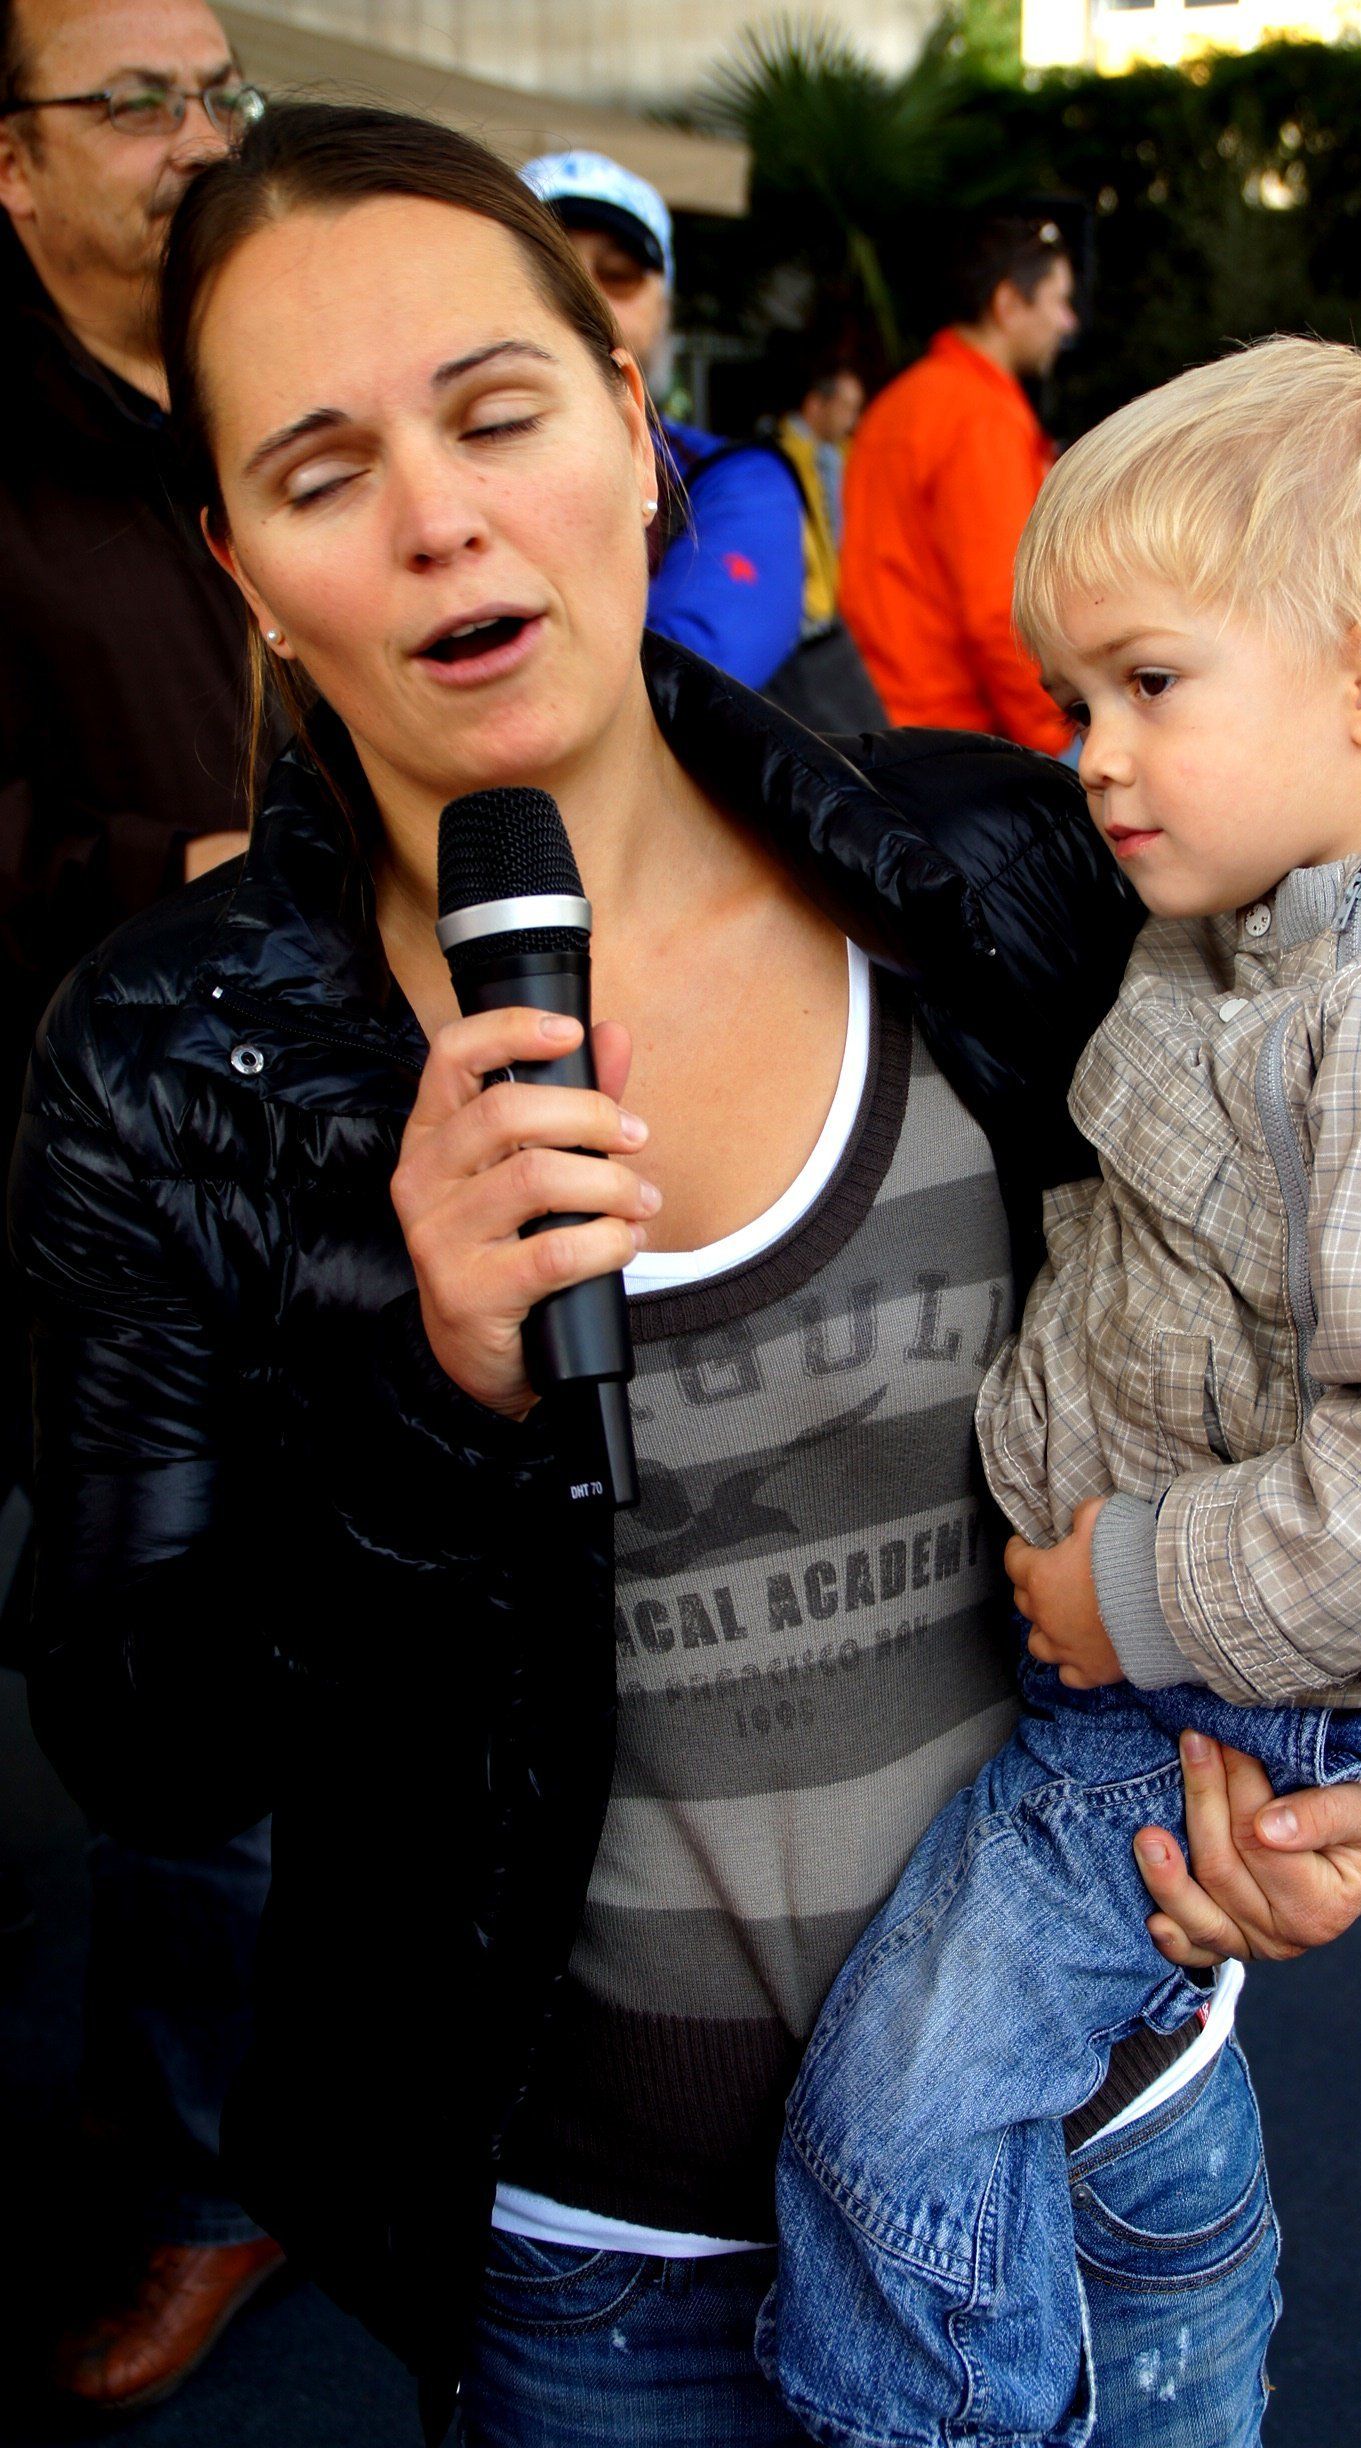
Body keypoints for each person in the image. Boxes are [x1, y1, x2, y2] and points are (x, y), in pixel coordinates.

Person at [11, 104, 1361, 2448]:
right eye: (320, 472)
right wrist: (429, 1390)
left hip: (1103, 2169)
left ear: (634, 423)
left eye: (497, 414)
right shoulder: (169, 1059)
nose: (438, 519)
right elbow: (146, 1730)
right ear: (243, 569)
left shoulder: (996, 869)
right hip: (597, 2277)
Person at [763, 338, 1361, 2448]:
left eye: (1148, 685)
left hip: (1202, 1687)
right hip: (1169, 1664)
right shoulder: (1267, 926)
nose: (1091, 756)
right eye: (1074, 700)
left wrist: (1130, 1588)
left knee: (900, 2104)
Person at [0, 0, 283, 2412]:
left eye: (216, 92)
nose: (195, 138)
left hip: (277, 1166)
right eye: (131, 101)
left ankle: (217, 2164)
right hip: (31, 1164)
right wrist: (160, 876)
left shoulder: (278, 369)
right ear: (8, 164)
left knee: (227, 1681)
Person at [520, 147, 805, 696]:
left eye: (619, 275)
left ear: (665, 311)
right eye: (546, 271)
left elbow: (691, 683)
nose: (584, 299)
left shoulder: (733, 481)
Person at [841, 215, 1079, 754]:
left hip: (882, 721)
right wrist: (1061, 732)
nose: (1068, 322)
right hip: (955, 739)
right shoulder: (979, 416)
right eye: (1059, 300)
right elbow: (1005, 613)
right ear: (1008, 304)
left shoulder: (903, 400)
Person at [776, 361, 865, 634]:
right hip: (806, 614)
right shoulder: (782, 460)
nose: (853, 419)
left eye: (856, 408)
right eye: (845, 407)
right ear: (815, 405)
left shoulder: (846, 455)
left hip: (837, 611)